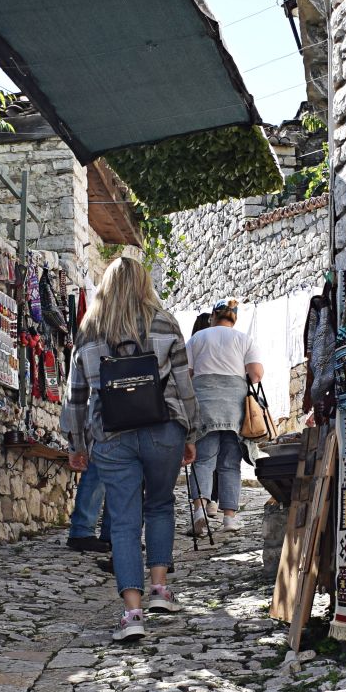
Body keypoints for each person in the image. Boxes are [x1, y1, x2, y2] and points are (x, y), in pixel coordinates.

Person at [65, 256, 198, 642]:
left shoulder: (89, 329)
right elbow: (183, 384)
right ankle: (159, 589)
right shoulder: (164, 321)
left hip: (110, 433)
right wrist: (191, 432)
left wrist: (76, 443)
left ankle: (133, 613)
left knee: (123, 519)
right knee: (159, 504)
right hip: (163, 430)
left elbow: (76, 394)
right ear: (144, 284)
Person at [185, 299, 262, 536]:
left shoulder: (198, 338)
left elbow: (186, 374)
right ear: (234, 318)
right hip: (234, 408)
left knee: (203, 461)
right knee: (230, 464)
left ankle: (199, 513)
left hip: (205, 406)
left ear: (213, 317)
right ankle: (229, 519)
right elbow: (257, 374)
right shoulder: (244, 339)